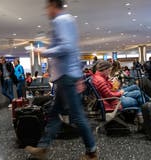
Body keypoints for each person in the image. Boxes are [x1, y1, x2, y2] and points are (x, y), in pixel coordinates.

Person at [24, 0, 97, 159]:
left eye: (47, 7)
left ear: (53, 5)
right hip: (67, 75)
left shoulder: (60, 20)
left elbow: (66, 47)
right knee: (55, 112)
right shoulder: (68, 20)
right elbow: (72, 50)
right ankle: (43, 147)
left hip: (65, 76)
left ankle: (91, 151)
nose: (46, 11)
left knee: (76, 116)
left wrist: (44, 51)